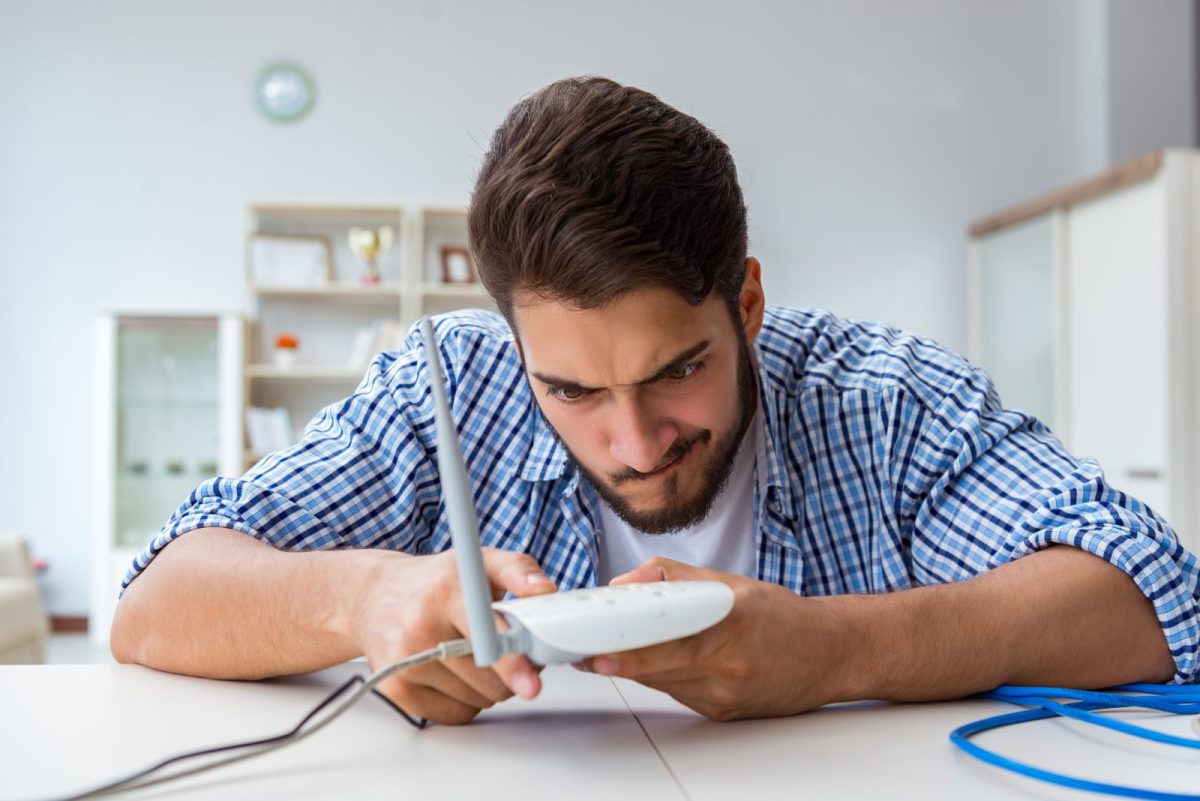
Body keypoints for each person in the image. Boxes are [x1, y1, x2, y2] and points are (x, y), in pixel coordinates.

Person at [111, 76, 1198, 725]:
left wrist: (839, 651)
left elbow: (1157, 597)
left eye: (679, 369)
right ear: (514, 344)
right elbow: (155, 600)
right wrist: (358, 602)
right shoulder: (445, 388)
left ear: (750, 302)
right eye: (572, 389)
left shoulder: (886, 400)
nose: (632, 444)